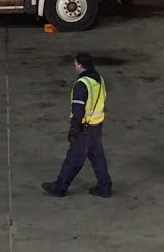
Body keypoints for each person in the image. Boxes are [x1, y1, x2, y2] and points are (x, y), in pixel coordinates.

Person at [42, 52, 112, 198]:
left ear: (80, 65)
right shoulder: (99, 79)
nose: (74, 66)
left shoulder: (82, 85)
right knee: (97, 155)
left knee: (74, 157)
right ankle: (104, 187)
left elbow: (78, 110)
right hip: (96, 125)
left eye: (75, 64)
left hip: (84, 127)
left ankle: (60, 187)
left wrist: (74, 128)